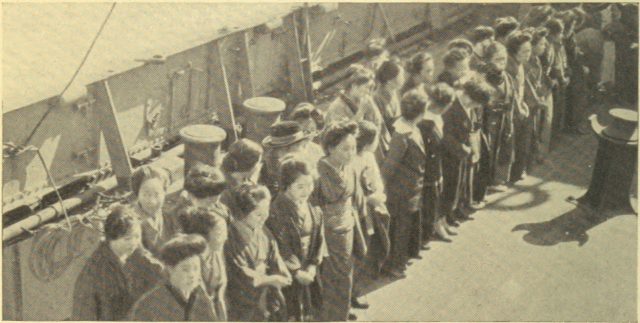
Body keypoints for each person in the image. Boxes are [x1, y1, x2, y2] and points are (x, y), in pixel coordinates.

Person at [314, 121, 367, 321]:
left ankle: (342, 308)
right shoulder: (318, 173)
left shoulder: (350, 167)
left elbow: (356, 196)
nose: (351, 153)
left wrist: (361, 218)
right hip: (329, 231)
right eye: (345, 149)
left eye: (353, 148)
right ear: (329, 148)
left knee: (350, 268)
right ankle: (335, 316)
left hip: (349, 224)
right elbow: (314, 207)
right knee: (336, 277)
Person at [72, 206, 162, 321]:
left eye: (137, 236)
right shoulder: (100, 271)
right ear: (112, 238)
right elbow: (104, 313)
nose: (134, 243)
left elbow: (147, 258)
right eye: (128, 239)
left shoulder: (130, 249)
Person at [266, 157, 326, 321]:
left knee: (308, 312)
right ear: (286, 185)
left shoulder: (313, 208)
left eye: (310, 184)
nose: (307, 190)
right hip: (287, 272)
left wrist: (313, 264)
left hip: (308, 269)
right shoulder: (275, 211)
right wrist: (296, 271)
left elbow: (319, 238)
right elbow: (279, 245)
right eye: (300, 186)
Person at [225, 183, 292, 321]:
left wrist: (283, 272)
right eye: (258, 214)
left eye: (266, 211)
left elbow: (275, 257)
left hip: (266, 296)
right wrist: (270, 279)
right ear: (243, 212)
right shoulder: (231, 236)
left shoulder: (264, 231)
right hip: (242, 301)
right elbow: (240, 273)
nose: (264, 217)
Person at [381, 89, 428, 278]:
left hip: (411, 191)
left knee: (405, 229)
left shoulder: (411, 128)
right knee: (399, 231)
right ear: (421, 113)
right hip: (400, 194)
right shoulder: (401, 135)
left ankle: (402, 259)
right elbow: (389, 168)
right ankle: (393, 265)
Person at [128, 234, 217, 321]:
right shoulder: (152, 301)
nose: (192, 275)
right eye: (185, 269)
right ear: (170, 268)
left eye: (196, 268)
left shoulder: (201, 296)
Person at [178, 177, 229, 320]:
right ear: (204, 236)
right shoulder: (189, 261)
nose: (225, 238)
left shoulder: (217, 252)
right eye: (220, 234)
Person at [325, 65, 389, 163]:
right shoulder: (336, 107)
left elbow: (378, 121)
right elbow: (342, 134)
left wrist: (373, 144)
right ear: (354, 86)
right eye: (367, 87)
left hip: (371, 147)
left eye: (371, 88)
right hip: (349, 154)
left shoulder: (366, 99)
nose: (369, 91)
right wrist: (361, 112)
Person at [418, 83, 457, 244]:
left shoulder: (436, 117)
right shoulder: (425, 122)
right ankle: (432, 228)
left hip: (438, 161)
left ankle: (439, 221)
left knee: (438, 194)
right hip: (429, 165)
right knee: (430, 198)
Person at [354, 120, 391, 274]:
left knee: (378, 239)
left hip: (373, 205)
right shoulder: (352, 160)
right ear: (369, 142)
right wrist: (369, 198)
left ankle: (373, 269)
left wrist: (378, 193)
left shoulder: (369, 157)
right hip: (360, 208)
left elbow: (377, 181)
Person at [483, 42, 519, 192]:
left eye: (504, 59)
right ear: (489, 61)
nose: (502, 63)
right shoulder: (484, 79)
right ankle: (488, 182)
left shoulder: (506, 77)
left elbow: (512, 95)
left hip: (505, 119)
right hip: (490, 122)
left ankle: (499, 178)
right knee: (491, 150)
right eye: (498, 59)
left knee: (504, 148)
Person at [128, 165, 176, 257]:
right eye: (146, 194)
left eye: (157, 194)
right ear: (137, 193)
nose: (152, 201)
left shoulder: (168, 215)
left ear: (164, 193)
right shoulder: (131, 221)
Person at [505, 31, 533, 183]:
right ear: (515, 51)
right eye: (525, 51)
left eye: (529, 50)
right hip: (513, 113)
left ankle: (518, 171)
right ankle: (514, 173)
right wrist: (519, 109)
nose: (529, 54)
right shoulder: (511, 67)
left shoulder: (519, 64)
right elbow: (513, 93)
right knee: (516, 144)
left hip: (519, 108)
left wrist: (522, 104)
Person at [261, 121, 315, 197]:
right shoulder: (272, 171)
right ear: (284, 150)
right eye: (299, 146)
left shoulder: (296, 162)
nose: (303, 150)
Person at [524, 27, 554, 162]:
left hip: (540, 97)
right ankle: (535, 155)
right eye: (541, 43)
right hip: (533, 101)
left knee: (543, 125)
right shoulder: (527, 63)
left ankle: (538, 153)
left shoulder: (536, 59)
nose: (545, 46)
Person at [219, 138, 264, 219]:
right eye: (258, 163)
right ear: (249, 166)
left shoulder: (242, 178)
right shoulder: (228, 193)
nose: (259, 166)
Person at [544, 18, 570, 144]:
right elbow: (556, 66)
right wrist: (563, 78)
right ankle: (553, 140)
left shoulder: (557, 44)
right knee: (554, 113)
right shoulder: (551, 45)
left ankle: (554, 138)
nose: (562, 35)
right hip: (554, 83)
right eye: (561, 33)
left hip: (558, 82)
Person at [373, 59, 405, 133]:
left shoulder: (394, 91)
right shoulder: (377, 98)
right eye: (401, 76)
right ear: (389, 81)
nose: (403, 78)